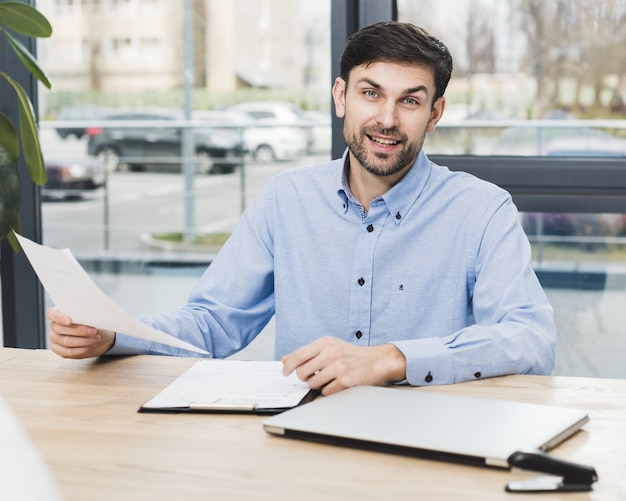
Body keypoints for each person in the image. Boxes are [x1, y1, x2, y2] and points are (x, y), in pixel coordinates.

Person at [47, 21, 556, 395]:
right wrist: (115, 335)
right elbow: (212, 323)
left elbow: (530, 339)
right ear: (341, 97)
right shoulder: (285, 199)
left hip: (430, 438)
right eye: (370, 93)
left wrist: (391, 359)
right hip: (299, 435)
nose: (386, 118)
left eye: (409, 101)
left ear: (434, 113)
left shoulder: (482, 210)